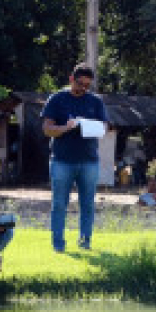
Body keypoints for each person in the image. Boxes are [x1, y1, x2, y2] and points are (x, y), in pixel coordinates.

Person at [41, 63, 109, 252]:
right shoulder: (57, 99)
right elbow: (47, 129)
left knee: (87, 204)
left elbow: (105, 127)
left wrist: (92, 126)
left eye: (88, 86)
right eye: (80, 84)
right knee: (59, 204)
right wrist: (66, 127)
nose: (83, 89)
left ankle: (85, 241)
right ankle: (58, 244)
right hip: (62, 161)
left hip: (89, 161)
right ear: (72, 79)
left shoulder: (95, 101)